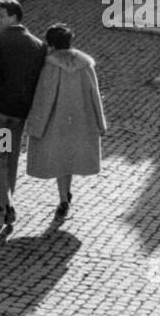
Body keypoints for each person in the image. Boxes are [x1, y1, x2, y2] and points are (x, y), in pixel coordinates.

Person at [0, 0, 46, 229]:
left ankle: (6, 203)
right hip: (19, 112)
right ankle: (2, 199)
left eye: (1, 16)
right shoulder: (38, 45)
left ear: (13, 17)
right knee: (9, 154)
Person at [24, 24, 106, 218]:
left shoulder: (50, 66)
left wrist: (35, 126)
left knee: (60, 160)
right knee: (69, 159)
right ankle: (66, 193)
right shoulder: (85, 65)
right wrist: (100, 123)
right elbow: (94, 94)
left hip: (56, 121)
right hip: (80, 120)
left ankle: (63, 198)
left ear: (51, 44)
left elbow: (44, 98)